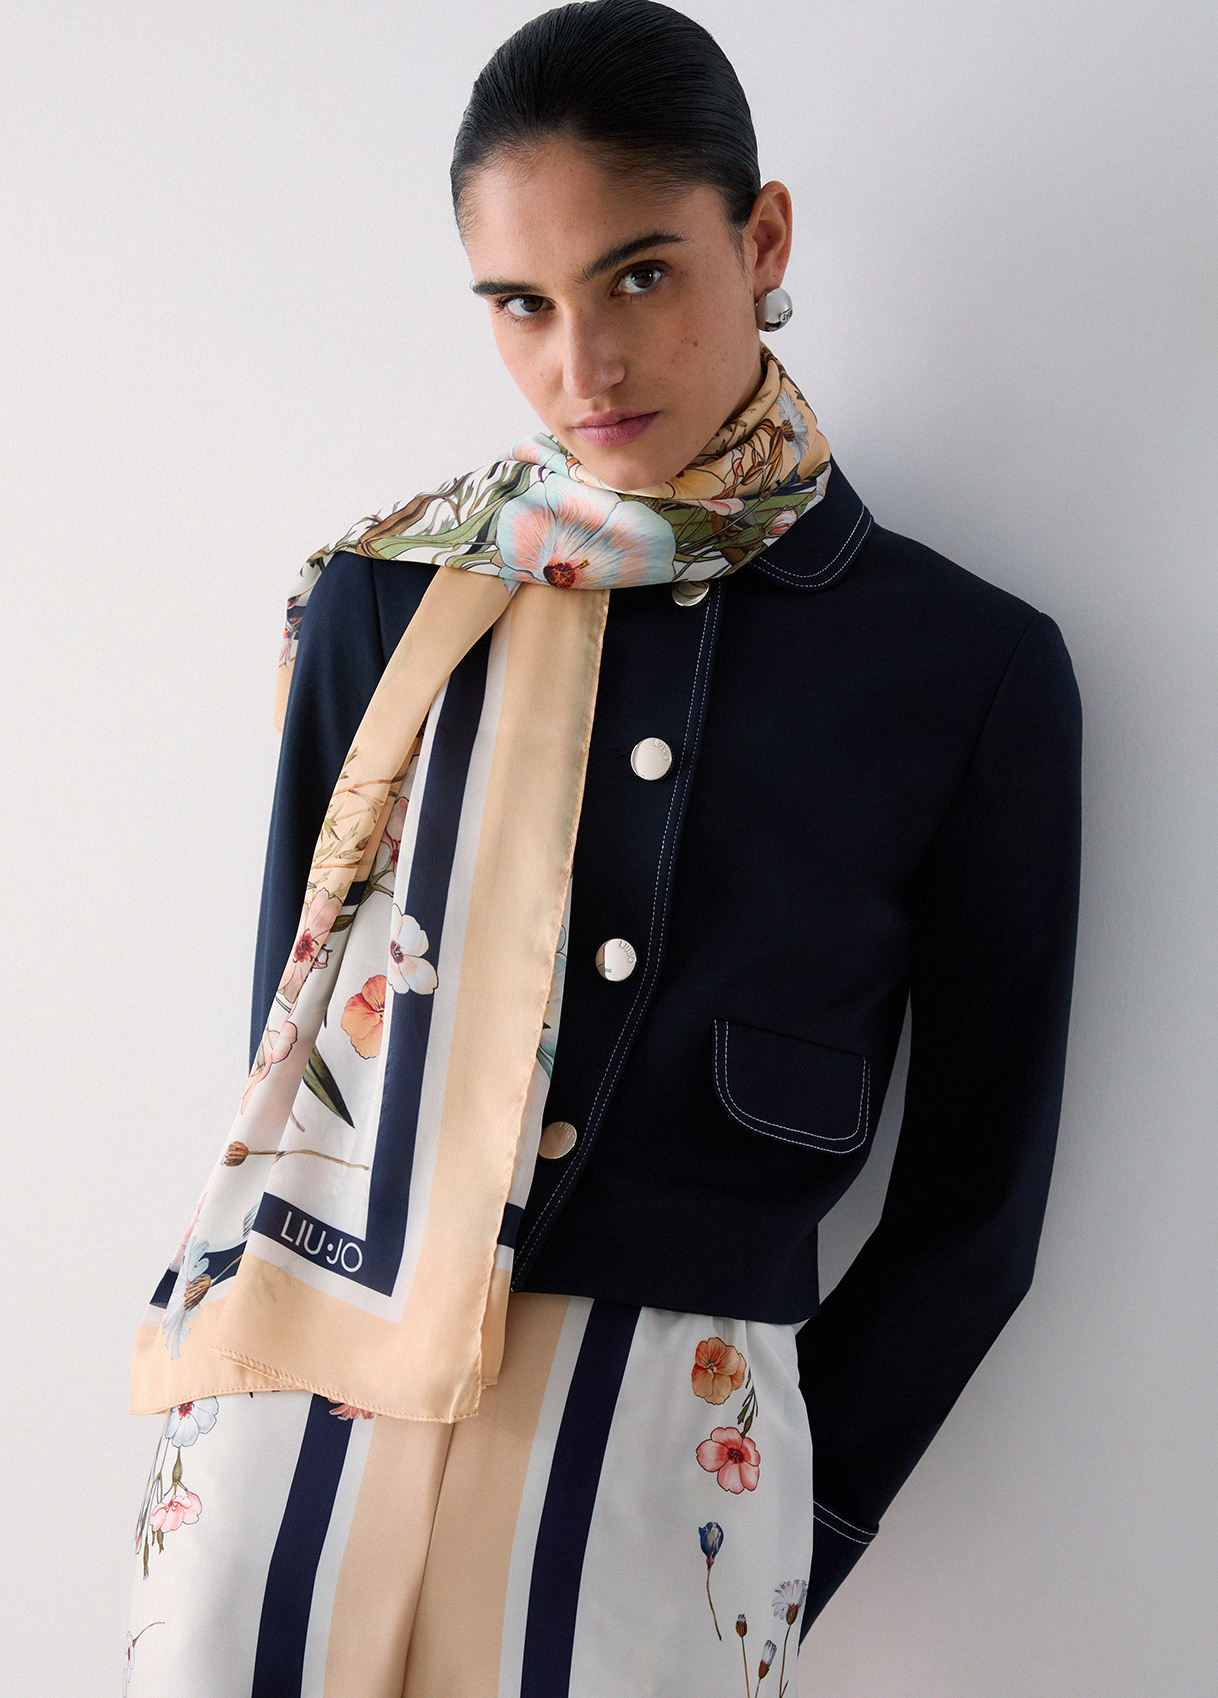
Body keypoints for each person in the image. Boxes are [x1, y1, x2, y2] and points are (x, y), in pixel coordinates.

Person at [123, 2, 1082, 1693]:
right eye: (520, 303)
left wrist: (791, 1526)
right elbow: (287, 1051)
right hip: (292, 1425)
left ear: (760, 238)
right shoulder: (381, 604)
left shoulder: (962, 669)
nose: (583, 365)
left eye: (638, 275)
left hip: (662, 1465)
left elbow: (974, 1212)